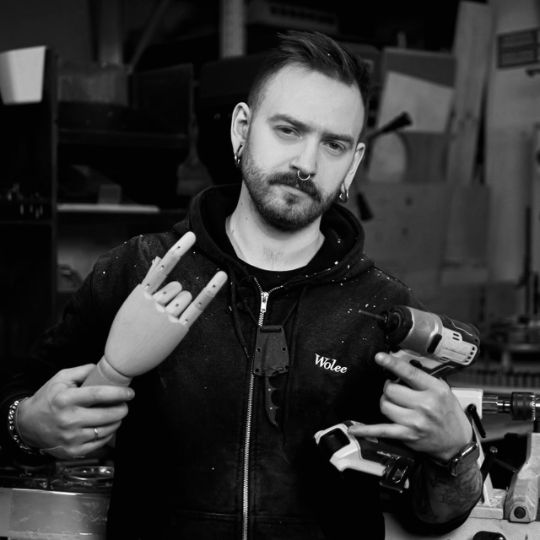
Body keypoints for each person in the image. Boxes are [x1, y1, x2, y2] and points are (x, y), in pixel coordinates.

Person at [0, 31, 483, 539]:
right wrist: (26, 423)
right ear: (242, 129)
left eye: (333, 144)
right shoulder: (140, 270)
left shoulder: (387, 312)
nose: (307, 164)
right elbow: (17, 399)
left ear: (354, 163)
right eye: (289, 130)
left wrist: (457, 452)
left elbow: (434, 515)